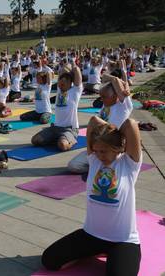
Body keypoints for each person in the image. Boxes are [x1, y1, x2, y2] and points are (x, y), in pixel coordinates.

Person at [42, 116, 142, 276]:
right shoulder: (94, 161)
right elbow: (94, 120)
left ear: (116, 148)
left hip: (122, 241)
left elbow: (131, 124)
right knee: (49, 261)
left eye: (103, 151)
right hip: (91, 235)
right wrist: (106, 136)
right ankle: (93, 252)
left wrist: (114, 135)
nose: (99, 155)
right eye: (96, 151)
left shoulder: (129, 165)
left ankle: (112, 255)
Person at [68, 75, 132, 174]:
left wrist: (121, 83)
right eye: (101, 96)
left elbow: (115, 80)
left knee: (95, 120)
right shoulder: (105, 106)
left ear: (116, 96)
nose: (101, 99)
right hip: (98, 148)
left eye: (104, 97)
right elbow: (106, 77)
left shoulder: (123, 107)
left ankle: (108, 168)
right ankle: (102, 168)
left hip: (113, 150)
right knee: (73, 165)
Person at [31, 64, 83, 151]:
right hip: (55, 128)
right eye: (60, 83)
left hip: (69, 129)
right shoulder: (59, 90)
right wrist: (65, 70)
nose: (60, 85)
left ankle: (72, 140)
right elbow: (63, 70)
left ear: (70, 83)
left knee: (62, 146)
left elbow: (76, 69)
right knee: (35, 140)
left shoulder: (75, 92)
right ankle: (57, 139)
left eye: (63, 84)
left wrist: (72, 66)